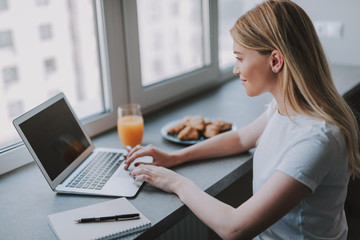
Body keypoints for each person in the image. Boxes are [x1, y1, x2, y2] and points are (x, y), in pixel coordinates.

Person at [125, 0, 360, 239]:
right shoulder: (285, 107)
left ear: (276, 61)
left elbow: (235, 228)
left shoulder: (316, 139)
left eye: (240, 57)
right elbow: (240, 138)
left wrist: (176, 183)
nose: (236, 70)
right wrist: (175, 157)